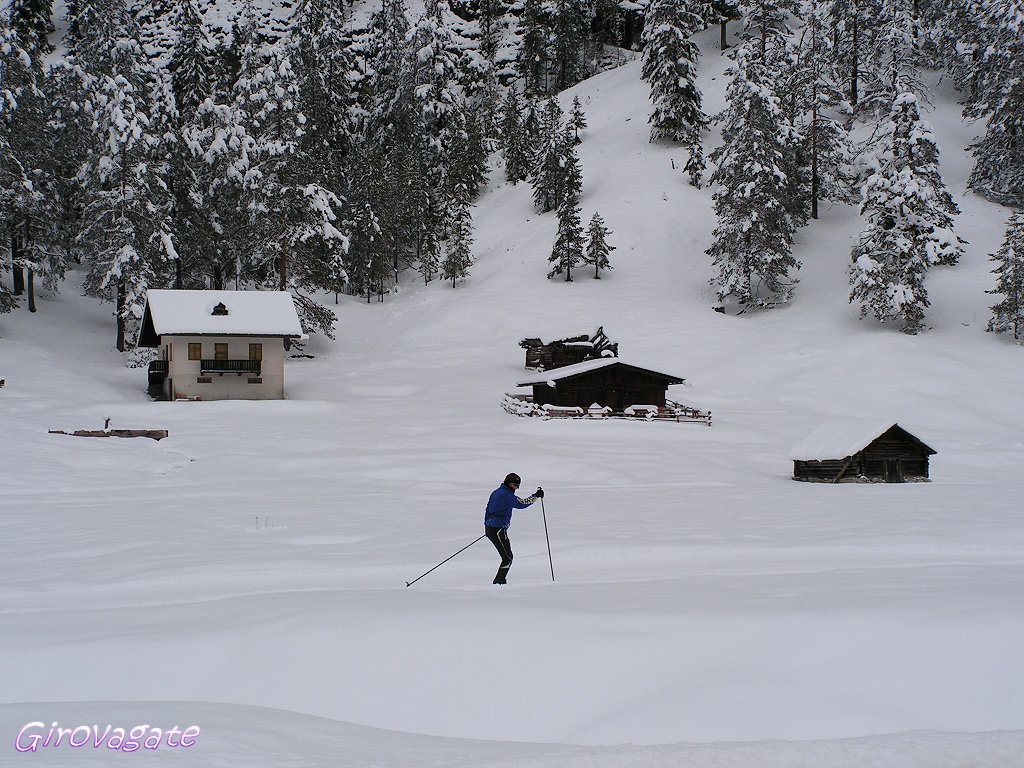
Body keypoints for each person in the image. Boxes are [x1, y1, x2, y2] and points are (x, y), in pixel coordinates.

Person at [484, 473, 543, 585]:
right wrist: (536, 496)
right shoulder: (506, 495)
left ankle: (500, 581)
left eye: (518, 486)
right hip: (497, 529)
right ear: (509, 484)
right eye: (515, 485)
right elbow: (521, 503)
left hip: (494, 528)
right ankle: (499, 583)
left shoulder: (496, 492)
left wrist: (487, 526)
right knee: (507, 558)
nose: (517, 488)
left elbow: (488, 509)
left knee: (508, 557)